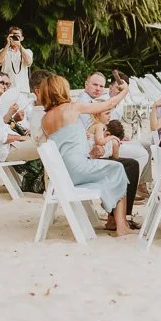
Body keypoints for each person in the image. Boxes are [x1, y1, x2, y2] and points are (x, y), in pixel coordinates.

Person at [38, 74, 137, 235]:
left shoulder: (44, 120)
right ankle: (121, 226)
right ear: (62, 90)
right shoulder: (72, 107)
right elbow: (109, 104)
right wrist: (125, 90)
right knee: (118, 168)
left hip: (64, 174)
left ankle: (115, 220)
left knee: (112, 168)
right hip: (79, 169)